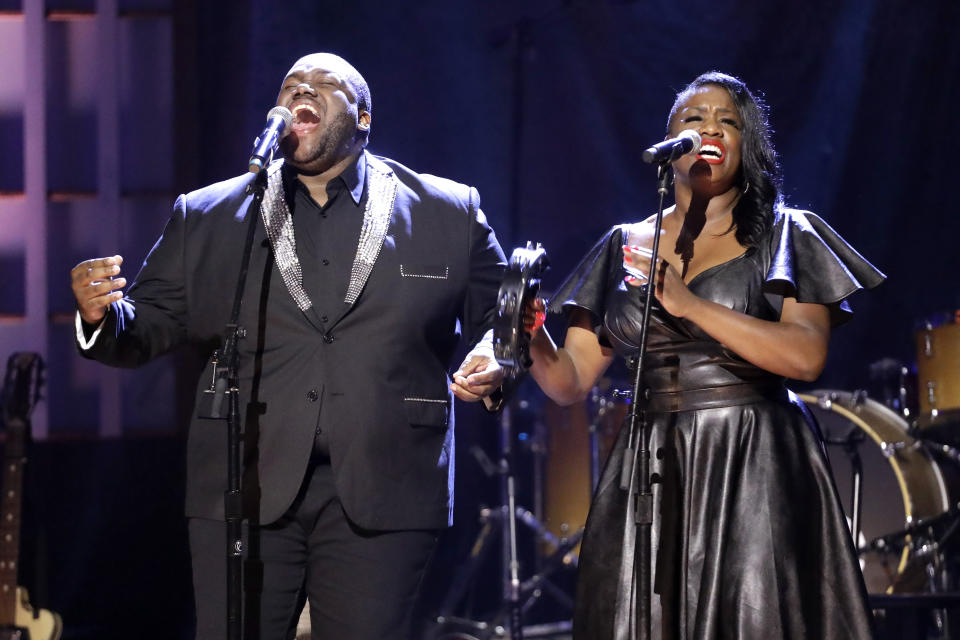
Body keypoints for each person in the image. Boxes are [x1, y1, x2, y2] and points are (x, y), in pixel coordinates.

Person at [70, 52, 507, 640]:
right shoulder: (209, 215)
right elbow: (146, 326)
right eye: (291, 86)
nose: (302, 91)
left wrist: (496, 356)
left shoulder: (447, 212)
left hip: (388, 482)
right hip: (245, 477)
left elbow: (508, 317)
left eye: (323, 86)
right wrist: (101, 316)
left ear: (364, 118)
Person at [524, 72, 883, 639]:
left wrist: (689, 303)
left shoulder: (788, 234)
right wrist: (530, 335)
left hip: (754, 461)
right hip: (651, 461)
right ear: (669, 146)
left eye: (728, 122)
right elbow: (569, 381)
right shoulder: (623, 245)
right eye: (693, 119)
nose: (710, 129)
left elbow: (805, 356)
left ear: (748, 147)